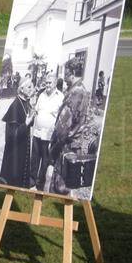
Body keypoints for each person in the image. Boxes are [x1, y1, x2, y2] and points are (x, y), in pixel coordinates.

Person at [49, 57, 92, 194]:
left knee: (60, 187)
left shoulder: (76, 92)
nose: (64, 77)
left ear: (72, 73)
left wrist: (53, 147)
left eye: (66, 73)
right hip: (69, 145)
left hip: (67, 146)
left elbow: (64, 126)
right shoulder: (78, 89)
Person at [29, 72, 64, 190]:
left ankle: (40, 183)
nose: (47, 85)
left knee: (45, 159)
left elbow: (61, 117)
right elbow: (36, 110)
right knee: (35, 157)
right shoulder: (41, 94)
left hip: (49, 134)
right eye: (46, 82)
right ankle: (31, 179)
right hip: (37, 132)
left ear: (55, 83)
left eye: (50, 83)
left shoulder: (60, 97)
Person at [0, 79, 34, 187]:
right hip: (15, 151)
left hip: (22, 146)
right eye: (29, 87)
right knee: (14, 179)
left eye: (32, 86)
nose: (31, 89)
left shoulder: (26, 102)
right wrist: (26, 123)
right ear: (21, 89)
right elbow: (10, 136)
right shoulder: (15, 105)